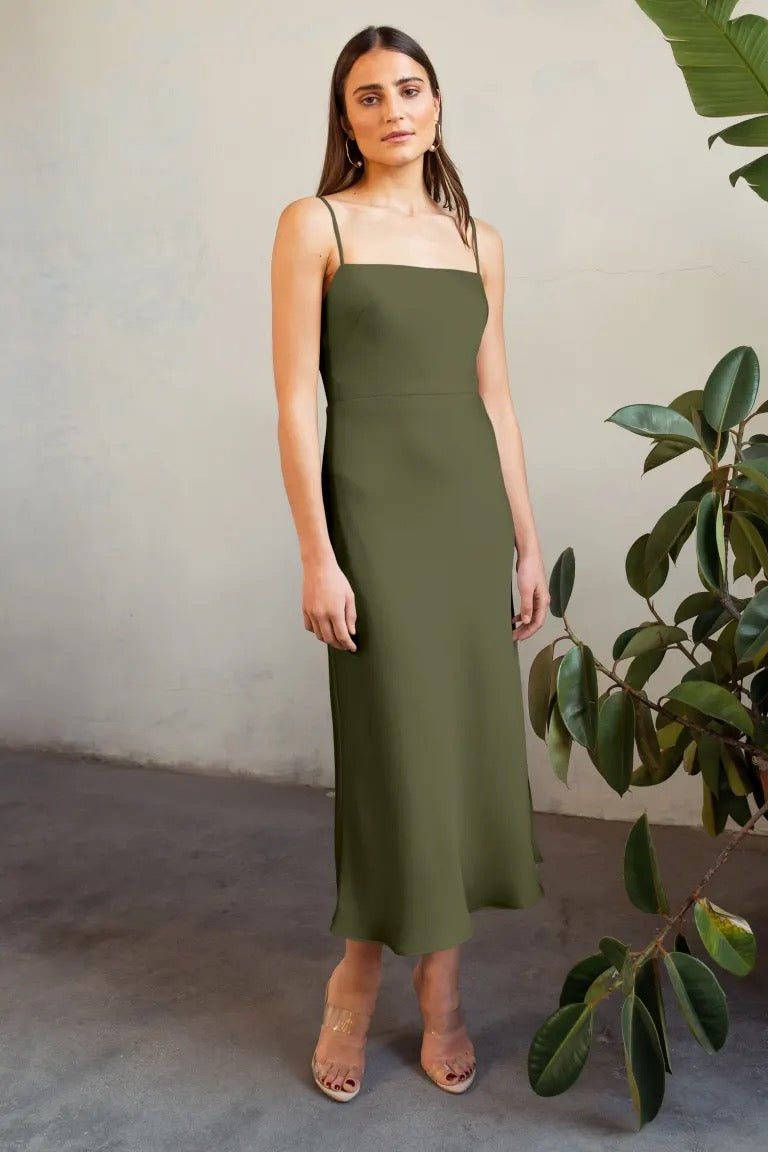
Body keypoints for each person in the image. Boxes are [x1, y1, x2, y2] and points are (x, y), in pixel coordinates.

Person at [271, 24, 550, 1102]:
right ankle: (354, 977)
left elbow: (496, 397)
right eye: (369, 97)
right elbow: (298, 398)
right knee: (394, 752)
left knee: (466, 751)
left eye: (411, 89)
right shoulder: (315, 224)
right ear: (345, 119)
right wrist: (316, 551)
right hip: (374, 517)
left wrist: (527, 539)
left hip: (466, 517)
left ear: (437, 104)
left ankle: (442, 986)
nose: (394, 110)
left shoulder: (479, 239)